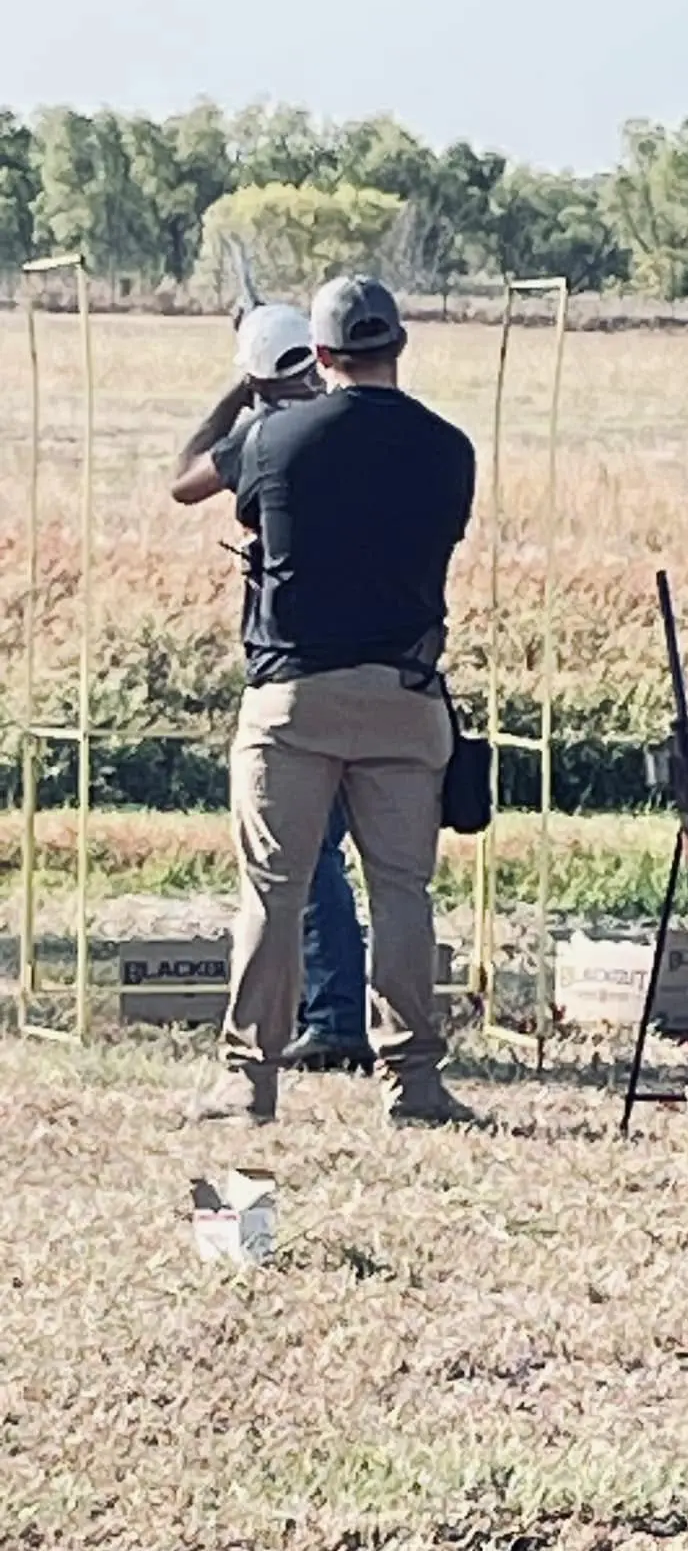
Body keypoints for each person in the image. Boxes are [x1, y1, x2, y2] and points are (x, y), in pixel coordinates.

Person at [191, 275, 478, 1125]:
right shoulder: (449, 447)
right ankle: (415, 1085)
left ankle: (249, 1083)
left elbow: (203, 487)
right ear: (399, 345)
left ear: (319, 356)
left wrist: (251, 386)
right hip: (404, 694)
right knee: (402, 895)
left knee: (274, 892)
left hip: (293, 698)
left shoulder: (273, 438)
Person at [172, 305, 374, 1074]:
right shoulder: (352, 425)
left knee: (302, 854)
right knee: (375, 861)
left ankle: (332, 1015)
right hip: (386, 662)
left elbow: (184, 481)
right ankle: (345, 1013)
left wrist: (238, 391)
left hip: (296, 670)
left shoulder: (263, 436)